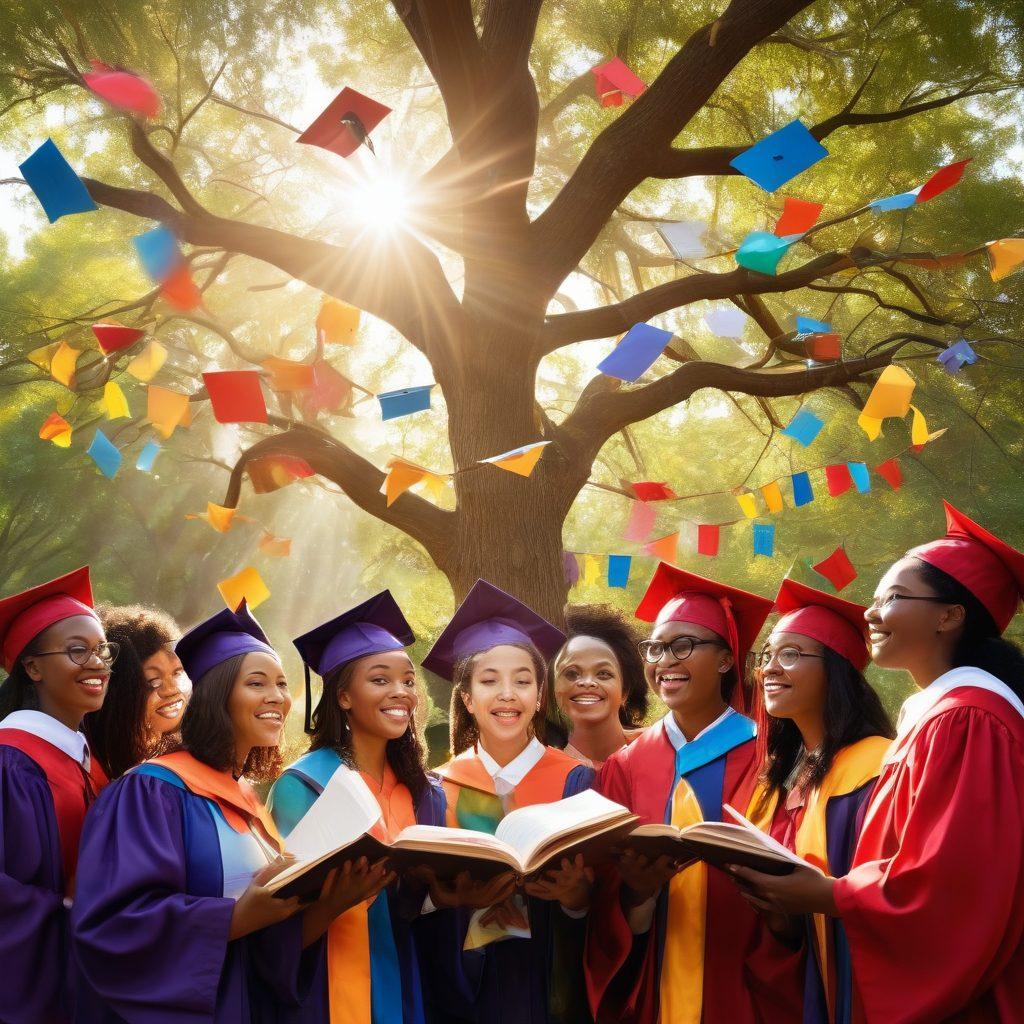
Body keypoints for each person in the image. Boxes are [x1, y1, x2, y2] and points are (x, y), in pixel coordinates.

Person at [731, 502, 1024, 1022]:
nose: (870, 612)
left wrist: (831, 894)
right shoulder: (942, 715)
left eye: (892, 597)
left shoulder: (969, 719)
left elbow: (955, 882)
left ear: (949, 616)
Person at [72, 601, 364, 1023]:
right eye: (257, 683)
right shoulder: (151, 790)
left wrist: (326, 906)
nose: (277, 697)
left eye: (281, 684)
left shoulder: (246, 799)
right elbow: (113, 926)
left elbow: (263, 947)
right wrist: (234, 917)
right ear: (215, 694)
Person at [585, 562, 798, 1024]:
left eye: (683, 645)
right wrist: (637, 895)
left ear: (725, 660)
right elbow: (603, 892)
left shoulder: (771, 757)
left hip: (745, 981)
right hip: (652, 983)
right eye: (656, 647)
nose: (664, 661)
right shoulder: (625, 765)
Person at [416, 579, 595, 1024]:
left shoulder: (578, 781)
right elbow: (416, 903)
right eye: (489, 681)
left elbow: (600, 898)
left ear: (539, 698)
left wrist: (576, 897)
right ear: (467, 699)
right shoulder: (437, 789)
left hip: (550, 978)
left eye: (523, 681)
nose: (507, 694)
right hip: (461, 988)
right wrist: (442, 899)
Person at [267, 590, 446, 1024]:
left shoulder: (423, 790)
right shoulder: (303, 786)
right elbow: (280, 919)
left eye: (407, 680)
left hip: (403, 980)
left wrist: (444, 896)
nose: (400, 691)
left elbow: (410, 908)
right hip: (327, 986)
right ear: (343, 696)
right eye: (380, 680)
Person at [746, 578, 894, 1023]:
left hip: (861, 986)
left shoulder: (877, 766)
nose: (770, 668)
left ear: (837, 669)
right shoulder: (783, 779)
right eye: (767, 655)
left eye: (789, 654)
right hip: (808, 986)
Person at [0, 567, 113, 1024]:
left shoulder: (88, 761)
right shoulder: (12, 762)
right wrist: (72, 906)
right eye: (77, 650)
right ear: (33, 668)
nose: (98, 663)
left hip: (88, 978)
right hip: (34, 991)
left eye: (102, 649)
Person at [85, 604, 191, 778]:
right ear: (120, 693)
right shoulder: (98, 770)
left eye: (177, 673)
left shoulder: (186, 759)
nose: (172, 690)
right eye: (153, 682)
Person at [548, 603, 648, 769]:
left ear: (625, 691)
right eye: (571, 673)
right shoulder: (547, 773)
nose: (587, 682)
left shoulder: (665, 748)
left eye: (603, 674)